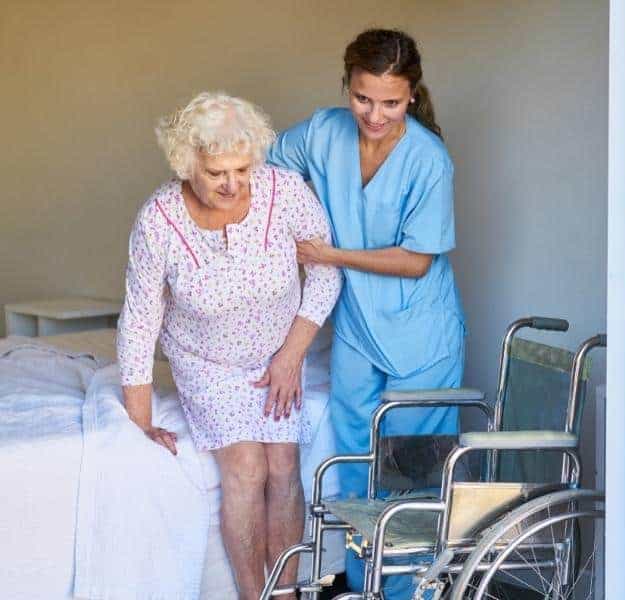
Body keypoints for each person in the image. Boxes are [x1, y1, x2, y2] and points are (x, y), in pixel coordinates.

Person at [116, 91, 341, 600]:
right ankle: (250, 594)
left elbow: (325, 271)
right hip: (206, 361)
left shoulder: (284, 192)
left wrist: (291, 356)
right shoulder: (159, 219)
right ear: (187, 162)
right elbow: (140, 317)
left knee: (283, 464)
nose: (233, 183)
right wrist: (141, 418)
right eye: (218, 172)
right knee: (246, 467)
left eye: (242, 169)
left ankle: (285, 593)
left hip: (278, 353)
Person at [269, 29, 465, 598]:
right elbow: (266, 172)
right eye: (363, 98)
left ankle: (404, 593)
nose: (374, 115)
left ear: (411, 96)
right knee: (355, 467)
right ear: (347, 87)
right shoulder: (323, 131)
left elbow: (415, 261)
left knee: (409, 481)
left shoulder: (429, 159)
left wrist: (328, 254)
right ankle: (359, 587)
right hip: (357, 329)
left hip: (421, 338)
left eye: (390, 102)